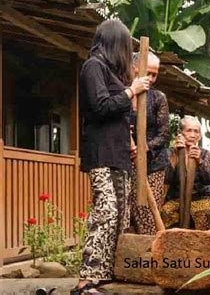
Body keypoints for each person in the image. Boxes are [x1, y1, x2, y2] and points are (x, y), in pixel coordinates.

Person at [73, 19, 150, 294]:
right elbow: (101, 106)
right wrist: (131, 92)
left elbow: (119, 117)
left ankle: (105, 275)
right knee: (105, 211)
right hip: (101, 152)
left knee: (120, 216)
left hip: (118, 153)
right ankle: (86, 279)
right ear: (115, 43)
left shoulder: (113, 72)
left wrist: (129, 139)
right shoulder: (93, 66)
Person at [129, 52, 170, 235]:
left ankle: (152, 254)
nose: (152, 79)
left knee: (147, 211)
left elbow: (164, 134)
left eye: (155, 74)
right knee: (127, 211)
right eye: (149, 74)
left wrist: (146, 147)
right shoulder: (124, 94)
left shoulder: (158, 98)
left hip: (152, 165)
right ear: (134, 69)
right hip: (126, 161)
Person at [161, 116, 210, 230]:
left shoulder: (204, 153)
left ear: (200, 136)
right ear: (181, 133)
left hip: (200, 198)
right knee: (167, 211)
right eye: (189, 130)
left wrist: (199, 161)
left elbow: (208, 179)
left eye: (196, 131)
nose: (192, 135)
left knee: (205, 211)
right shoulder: (170, 152)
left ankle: (201, 244)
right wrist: (176, 155)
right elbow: (166, 178)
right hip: (176, 198)